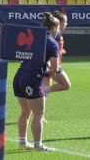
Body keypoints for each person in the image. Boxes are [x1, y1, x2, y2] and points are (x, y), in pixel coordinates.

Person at [13, 12, 60, 150]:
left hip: (20, 76)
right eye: (57, 28)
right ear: (53, 28)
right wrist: (49, 70)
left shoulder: (34, 38)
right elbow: (55, 69)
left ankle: (23, 142)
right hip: (32, 79)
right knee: (38, 114)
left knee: (25, 111)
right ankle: (38, 145)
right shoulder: (52, 43)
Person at [42, 10, 71, 96]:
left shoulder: (57, 34)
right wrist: (49, 63)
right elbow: (47, 48)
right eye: (65, 21)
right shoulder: (55, 34)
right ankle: (40, 92)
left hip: (52, 64)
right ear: (59, 22)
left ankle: (40, 94)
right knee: (66, 84)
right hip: (52, 65)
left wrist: (61, 50)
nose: (66, 24)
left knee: (46, 89)